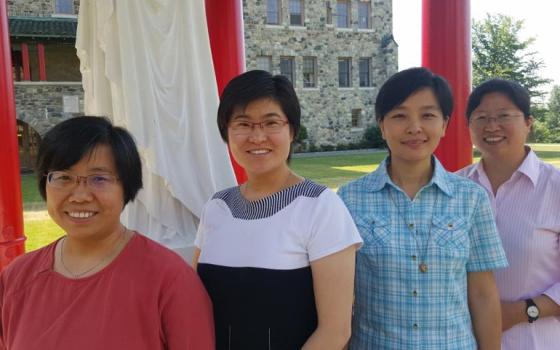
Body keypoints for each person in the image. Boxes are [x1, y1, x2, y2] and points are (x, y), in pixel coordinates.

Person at [0, 116, 214, 350]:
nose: (80, 196)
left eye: (99, 178)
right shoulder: (15, 279)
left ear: (127, 188)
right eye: (63, 177)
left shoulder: (170, 281)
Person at [338, 67, 508, 349]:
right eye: (399, 116)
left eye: (428, 115)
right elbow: (341, 297)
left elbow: (483, 294)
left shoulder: (471, 198)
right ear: (382, 125)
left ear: (444, 124)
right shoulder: (350, 199)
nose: (414, 127)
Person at [193, 70, 362, 350]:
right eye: (243, 124)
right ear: (227, 132)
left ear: (292, 130)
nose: (257, 137)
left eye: (271, 123)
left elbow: (335, 331)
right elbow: (194, 305)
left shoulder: (320, 207)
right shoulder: (216, 208)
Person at [456, 78, 560, 349]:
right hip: (459, 339)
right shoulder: (451, 189)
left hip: (535, 339)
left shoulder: (555, 188)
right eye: (481, 117)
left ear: (528, 122)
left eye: (504, 115)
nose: (491, 126)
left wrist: (523, 311)